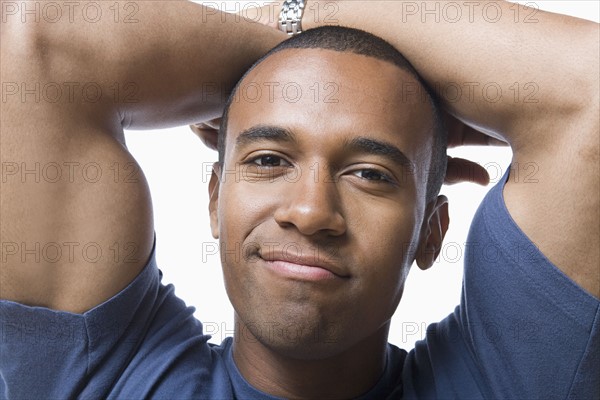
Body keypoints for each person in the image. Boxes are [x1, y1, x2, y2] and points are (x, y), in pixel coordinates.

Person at [1, 1, 597, 399]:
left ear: (430, 232)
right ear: (214, 197)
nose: (311, 211)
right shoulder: (100, 376)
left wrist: (310, 14)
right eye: (267, 160)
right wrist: (292, 38)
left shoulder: (510, 380)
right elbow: (38, 42)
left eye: (371, 174)